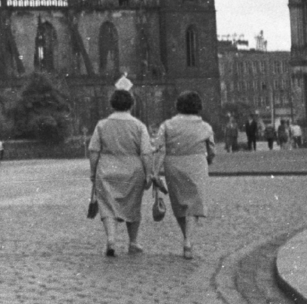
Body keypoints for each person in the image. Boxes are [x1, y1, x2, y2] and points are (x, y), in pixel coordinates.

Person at [86, 87, 154, 257]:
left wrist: (93, 172)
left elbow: (94, 151)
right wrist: (148, 173)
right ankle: (133, 242)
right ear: (131, 104)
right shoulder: (139, 126)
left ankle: (111, 239)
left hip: (107, 169)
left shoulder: (102, 125)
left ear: (112, 104)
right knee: (132, 205)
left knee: (107, 207)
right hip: (132, 171)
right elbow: (146, 152)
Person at [152, 90, 215, 260]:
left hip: (173, 164)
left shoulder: (167, 125)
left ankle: (186, 237)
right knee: (194, 203)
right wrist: (208, 160)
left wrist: (155, 171)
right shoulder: (205, 126)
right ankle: (188, 239)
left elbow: (159, 148)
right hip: (196, 163)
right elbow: (212, 150)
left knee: (179, 203)